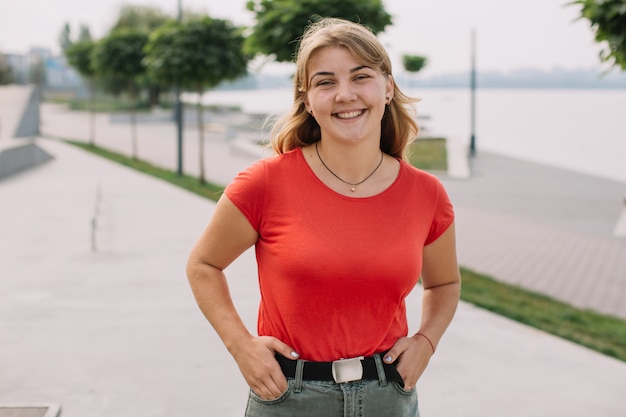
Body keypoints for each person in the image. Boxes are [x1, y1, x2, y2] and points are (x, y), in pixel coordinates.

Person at [186, 17, 461, 417]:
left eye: (360, 77)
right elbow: (203, 265)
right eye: (326, 82)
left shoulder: (426, 194)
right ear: (307, 99)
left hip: (388, 398)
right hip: (288, 398)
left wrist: (427, 341)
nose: (344, 94)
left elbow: (445, 283)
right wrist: (240, 345)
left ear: (388, 88)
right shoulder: (265, 183)